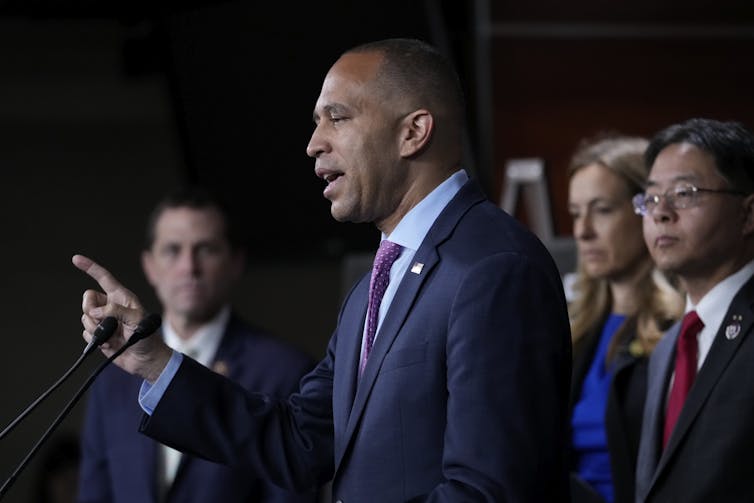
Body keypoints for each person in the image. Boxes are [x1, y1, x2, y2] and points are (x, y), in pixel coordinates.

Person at [73, 38, 573, 502]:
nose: (314, 143)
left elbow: (487, 492)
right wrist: (153, 362)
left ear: (413, 132)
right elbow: (298, 441)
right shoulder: (371, 290)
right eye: (316, 121)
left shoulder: (494, 268)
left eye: (337, 117)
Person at [76, 186, 318, 503]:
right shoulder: (112, 378)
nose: (189, 267)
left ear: (235, 262)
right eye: (173, 250)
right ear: (150, 266)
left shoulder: (284, 370)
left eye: (206, 249)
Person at [631, 118, 754, 502]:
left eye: (685, 193)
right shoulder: (668, 347)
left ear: (748, 214)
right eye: (650, 197)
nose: (661, 212)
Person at [565, 135, 684, 503]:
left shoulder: (678, 332)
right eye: (575, 213)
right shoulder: (572, 330)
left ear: (647, 211)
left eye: (601, 209)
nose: (583, 231)